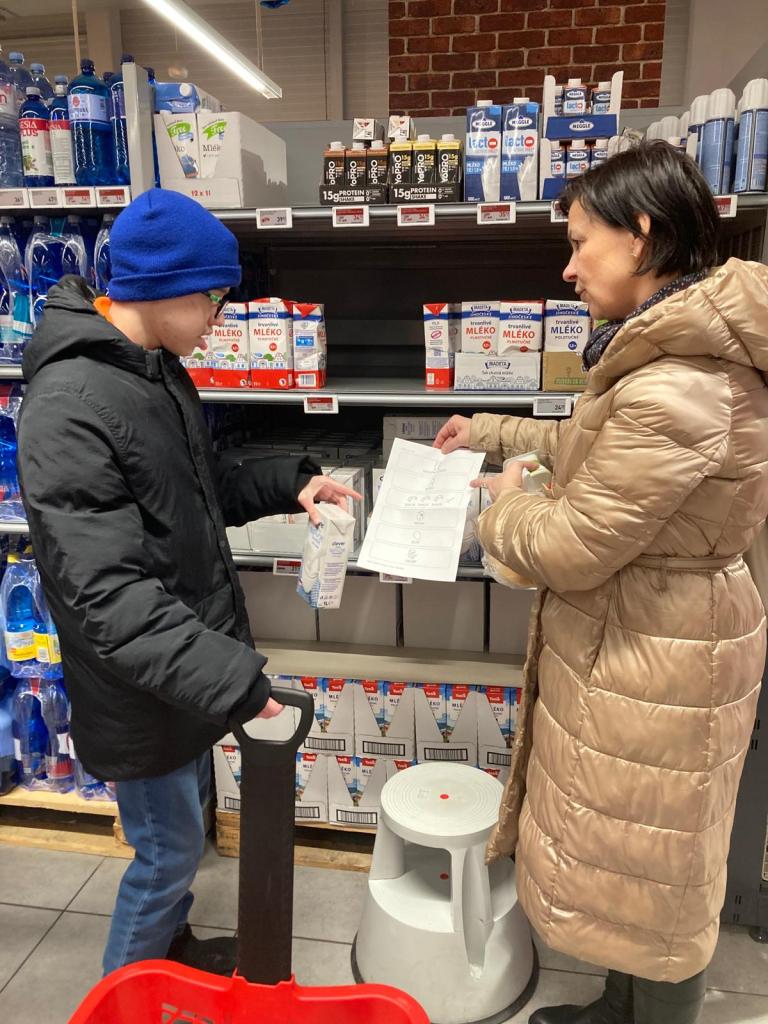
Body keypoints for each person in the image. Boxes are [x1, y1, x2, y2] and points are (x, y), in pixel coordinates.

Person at [434, 142, 768, 1024]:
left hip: (665, 653)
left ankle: (649, 1014)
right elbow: (591, 444)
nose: (569, 267)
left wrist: (501, 507)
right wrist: (491, 431)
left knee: (659, 874)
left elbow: (574, 542)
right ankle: (619, 1007)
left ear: (642, 235)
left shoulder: (682, 383)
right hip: (651, 639)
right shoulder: (667, 355)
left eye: (582, 243)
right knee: (637, 863)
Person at [16, 190, 359, 977]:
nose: (218, 317)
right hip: (141, 688)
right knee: (166, 854)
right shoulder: (69, 405)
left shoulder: (153, 372)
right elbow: (109, 600)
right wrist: (235, 682)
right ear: (160, 288)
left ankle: (169, 950)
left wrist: (290, 482)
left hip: (180, 674)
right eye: (211, 297)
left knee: (183, 833)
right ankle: (122, 1002)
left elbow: (195, 493)